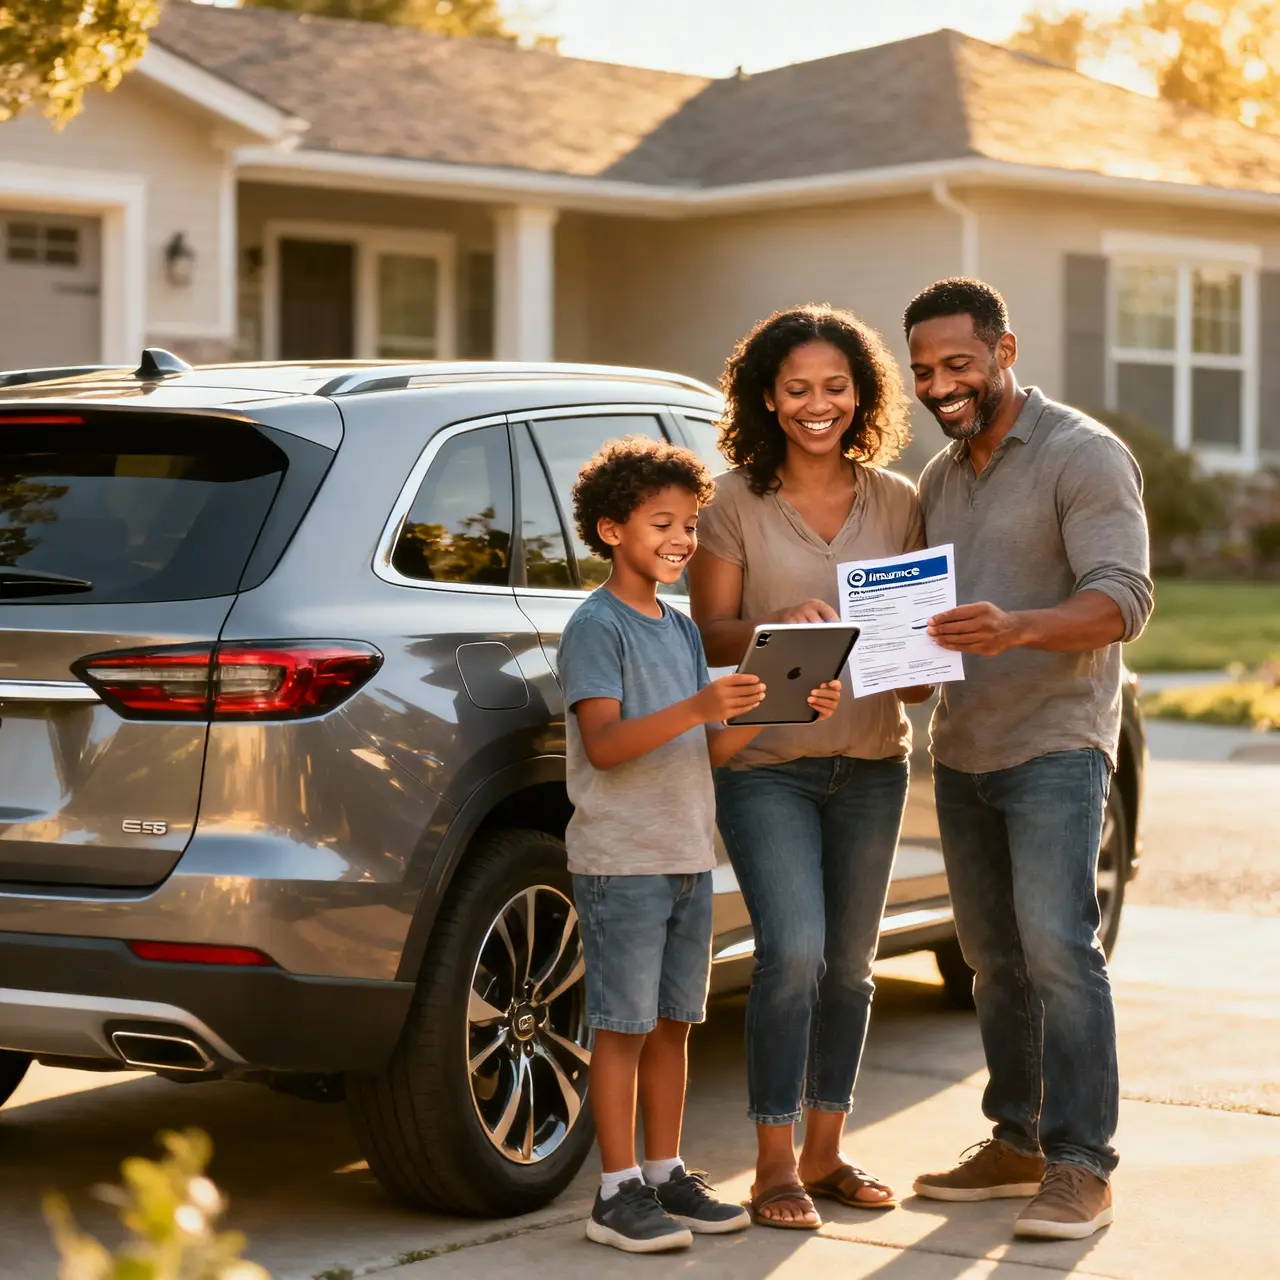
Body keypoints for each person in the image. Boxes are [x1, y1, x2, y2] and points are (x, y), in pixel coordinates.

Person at [904, 278, 1153, 1241]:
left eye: (958, 365)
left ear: (1005, 350)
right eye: (924, 371)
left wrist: (1017, 630)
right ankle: (1017, 1140)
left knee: (1057, 948)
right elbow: (923, 624)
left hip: (1057, 742)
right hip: (963, 747)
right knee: (992, 960)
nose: (940, 385)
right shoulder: (939, 479)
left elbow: (1122, 598)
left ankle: (1082, 1163)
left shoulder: (1082, 455)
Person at [560, 434, 841, 1254]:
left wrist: (771, 709)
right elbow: (607, 744)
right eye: (663, 524)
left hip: (686, 856)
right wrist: (696, 707)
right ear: (612, 531)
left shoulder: (681, 631)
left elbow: (705, 751)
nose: (683, 540)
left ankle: (663, 1171)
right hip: (622, 863)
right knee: (623, 1027)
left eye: (689, 525)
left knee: (676, 1023)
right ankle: (614, 1193)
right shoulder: (596, 628)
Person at [688, 304, 931, 1230]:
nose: (816, 405)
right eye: (797, 389)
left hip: (873, 764)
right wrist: (769, 631)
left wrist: (914, 661)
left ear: (862, 394)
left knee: (851, 969)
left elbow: (910, 679)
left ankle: (827, 1154)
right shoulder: (731, 504)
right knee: (790, 955)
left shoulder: (900, 501)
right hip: (768, 769)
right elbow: (709, 633)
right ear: (767, 397)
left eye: (835, 387)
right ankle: (773, 1163)